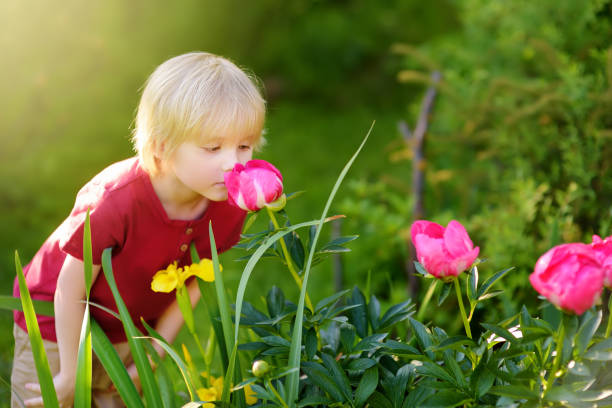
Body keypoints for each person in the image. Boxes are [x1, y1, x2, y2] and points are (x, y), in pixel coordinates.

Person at [11, 51, 266, 407]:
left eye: (244, 146)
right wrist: (71, 374)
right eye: (212, 147)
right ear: (162, 146)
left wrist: (153, 355)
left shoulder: (228, 204)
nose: (233, 163)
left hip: (127, 329)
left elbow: (192, 284)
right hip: (58, 325)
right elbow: (70, 287)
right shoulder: (115, 201)